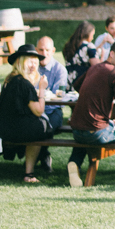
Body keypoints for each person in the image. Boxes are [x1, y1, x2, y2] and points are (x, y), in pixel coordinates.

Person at [68, 40, 115, 188]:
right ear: (112, 53)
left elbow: (76, 85)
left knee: (87, 132)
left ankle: (74, 162)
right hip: (96, 132)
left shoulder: (95, 67)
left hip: (76, 131)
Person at [0, 44, 54, 183]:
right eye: (29, 61)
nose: (33, 65)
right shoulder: (24, 83)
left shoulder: (9, 79)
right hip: (16, 129)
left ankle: (34, 161)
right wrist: (42, 89)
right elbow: (39, 110)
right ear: (20, 62)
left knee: (43, 125)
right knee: (44, 127)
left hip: (4, 127)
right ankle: (29, 173)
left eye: (35, 62)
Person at [35, 36, 67, 172]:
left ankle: (40, 157)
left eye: (47, 50)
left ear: (53, 51)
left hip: (52, 110)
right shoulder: (32, 66)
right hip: (34, 109)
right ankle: (42, 157)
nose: (44, 53)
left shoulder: (60, 70)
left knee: (45, 128)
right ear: (36, 50)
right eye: (41, 50)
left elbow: (58, 96)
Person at [63, 20, 99, 89]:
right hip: (82, 82)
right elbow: (97, 67)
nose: (92, 38)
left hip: (68, 80)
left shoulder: (68, 46)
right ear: (88, 34)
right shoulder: (89, 47)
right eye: (92, 35)